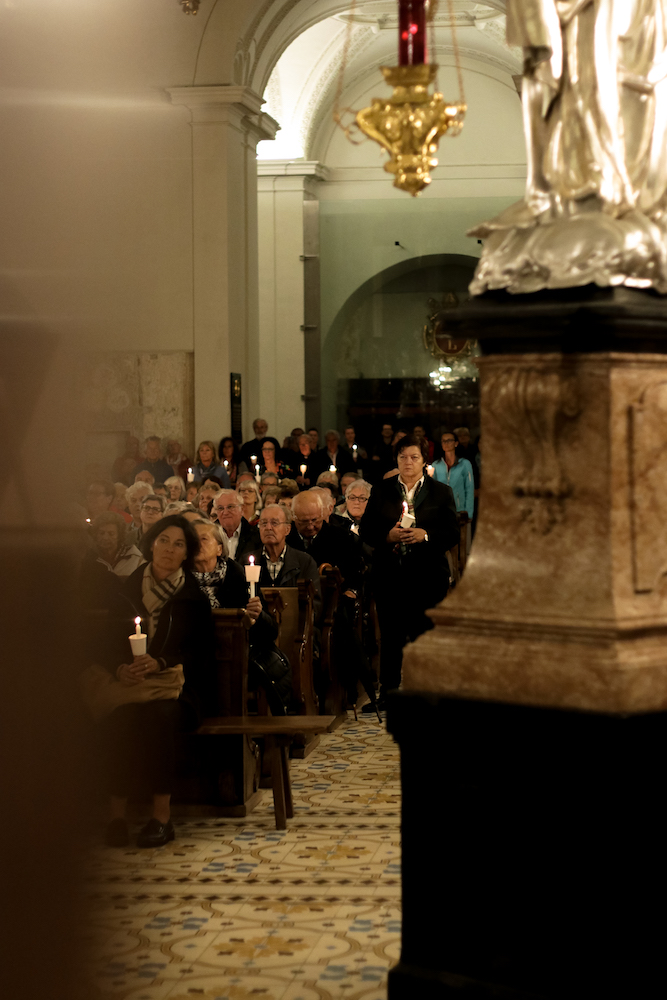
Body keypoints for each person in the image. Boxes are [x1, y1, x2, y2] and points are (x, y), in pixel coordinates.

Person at [93, 515, 216, 848]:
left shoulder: (193, 598)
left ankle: (161, 817)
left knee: (156, 718)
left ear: (186, 553)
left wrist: (161, 661)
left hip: (179, 692)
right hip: (131, 686)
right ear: (151, 544)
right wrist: (121, 668)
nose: (169, 549)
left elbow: (201, 655)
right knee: (121, 718)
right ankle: (116, 816)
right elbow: (105, 644)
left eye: (179, 544)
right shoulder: (126, 592)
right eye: (163, 540)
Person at [359, 434, 459, 709]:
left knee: (423, 634)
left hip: (427, 575)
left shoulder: (441, 491)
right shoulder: (381, 490)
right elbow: (366, 530)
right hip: (391, 574)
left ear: (424, 460)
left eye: (414, 457)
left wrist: (425, 535)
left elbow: (452, 533)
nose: (408, 462)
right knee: (390, 636)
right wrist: (388, 536)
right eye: (402, 457)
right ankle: (388, 695)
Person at [191, 520, 291, 713]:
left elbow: (270, 631)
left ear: (220, 548)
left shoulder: (238, 576)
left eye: (203, 539)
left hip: (239, 655)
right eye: (192, 540)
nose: (197, 544)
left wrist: (257, 615)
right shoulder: (183, 580)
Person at [239, 504, 322, 621]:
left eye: (274, 523)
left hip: (295, 627)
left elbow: (315, 605)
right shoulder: (246, 561)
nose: (268, 528)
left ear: (287, 529)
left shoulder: (304, 562)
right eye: (263, 523)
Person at [80, 512, 145, 608]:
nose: (105, 538)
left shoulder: (134, 557)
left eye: (111, 534)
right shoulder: (88, 559)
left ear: (119, 536)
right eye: (101, 533)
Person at [431, 430, 474, 520]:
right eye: (444, 441)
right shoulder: (436, 465)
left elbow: (469, 489)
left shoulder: (464, 464)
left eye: (449, 440)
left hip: (459, 510)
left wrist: (468, 512)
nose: (446, 443)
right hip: (441, 510)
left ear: (456, 443)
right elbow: (432, 488)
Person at [211, 488, 260, 562]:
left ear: (242, 509)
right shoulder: (210, 535)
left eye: (230, 507)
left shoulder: (255, 535)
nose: (225, 512)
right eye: (220, 508)